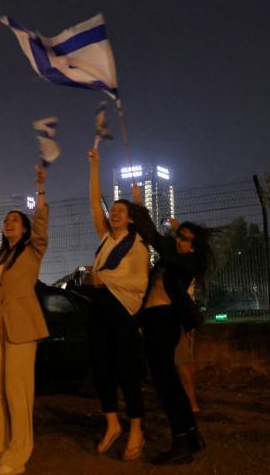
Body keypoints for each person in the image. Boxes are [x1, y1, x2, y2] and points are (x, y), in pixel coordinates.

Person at [0, 166, 50, 475]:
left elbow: (42, 225)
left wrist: (40, 188)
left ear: (26, 228)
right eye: (6, 220)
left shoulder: (32, 250)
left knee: (18, 392)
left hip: (22, 326)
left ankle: (18, 454)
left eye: (15, 219)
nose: (8, 222)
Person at [85, 147, 150, 461]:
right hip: (99, 307)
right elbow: (93, 199)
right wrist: (94, 166)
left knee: (127, 371)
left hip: (123, 311)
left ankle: (137, 429)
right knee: (102, 369)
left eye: (120, 211)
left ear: (131, 217)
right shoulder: (104, 237)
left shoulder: (138, 247)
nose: (113, 213)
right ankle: (112, 423)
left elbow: (139, 284)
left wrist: (105, 280)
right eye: (112, 210)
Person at [135, 208, 212, 464]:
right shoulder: (173, 260)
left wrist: (140, 212)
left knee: (166, 384)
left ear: (194, 245)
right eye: (179, 237)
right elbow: (161, 244)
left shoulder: (190, 261)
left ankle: (181, 442)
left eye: (185, 238)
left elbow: (160, 242)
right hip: (155, 321)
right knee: (169, 382)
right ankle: (191, 436)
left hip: (164, 322)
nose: (179, 241)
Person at [175, 280, 200, 413]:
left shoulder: (176, 268)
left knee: (182, 362)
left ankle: (192, 403)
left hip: (179, 315)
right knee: (188, 362)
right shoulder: (189, 264)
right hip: (188, 313)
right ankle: (191, 401)